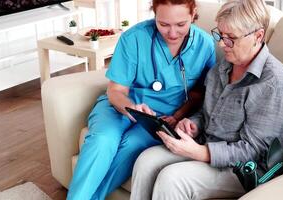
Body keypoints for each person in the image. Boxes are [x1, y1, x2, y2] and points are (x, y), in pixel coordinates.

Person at [130, 0, 283, 199]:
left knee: (173, 178)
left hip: (246, 168)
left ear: (258, 36)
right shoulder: (224, 66)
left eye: (230, 38)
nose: (221, 44)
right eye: (220, 35)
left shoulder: (274, 84)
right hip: (207, 145)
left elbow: (255, 150)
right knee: (146, 160)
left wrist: (202, 153)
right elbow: (207, 111)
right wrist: (193, 124)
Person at [67, 0, 216, 199]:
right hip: (119, 106)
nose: (172, 33)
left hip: (160, 119)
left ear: (193, 14)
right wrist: (133, 107)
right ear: (154, 14)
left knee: (131, 146)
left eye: (181, 24)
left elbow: (200, 93)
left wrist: (177, 116)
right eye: (163, 24)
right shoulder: (134, 38)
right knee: (103, 140)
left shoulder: (205, 44)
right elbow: (116, 91)